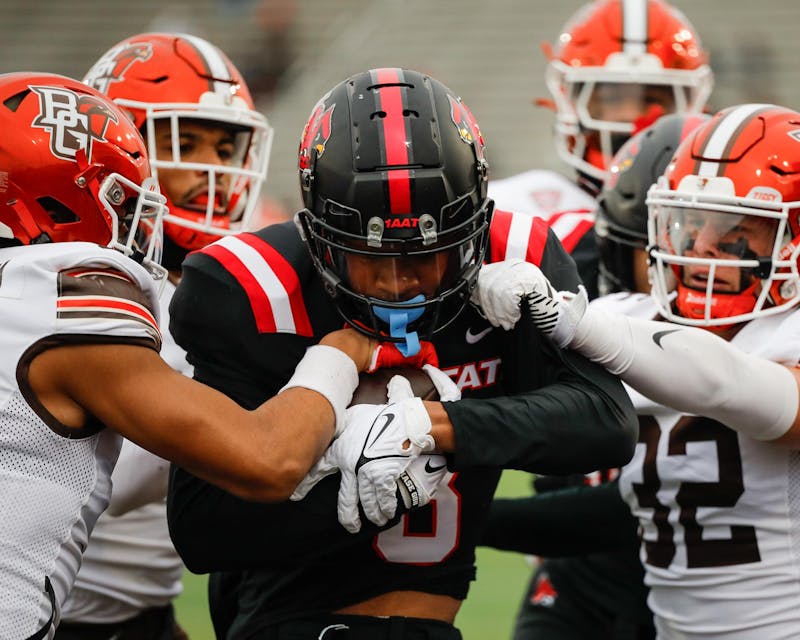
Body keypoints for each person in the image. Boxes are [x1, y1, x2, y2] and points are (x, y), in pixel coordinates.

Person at [165, 67, 638, 640]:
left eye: (423, 255)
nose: (397, 283)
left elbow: (605, 422)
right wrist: (348, 479)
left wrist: (432, 427)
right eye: (370, 257)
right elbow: (202, 532)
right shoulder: (253, 290)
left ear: (472, 233)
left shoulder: (517, 261)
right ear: (318, 239)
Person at [0, 71, 385, 640]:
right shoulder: (55, 289)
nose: (138, 226)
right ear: (55, 197)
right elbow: (266, 459)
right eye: (124, 203)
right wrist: (342, 352)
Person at [479, 103, 800, 639]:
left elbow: (735, 385)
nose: (700, 250)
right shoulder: (632, 322)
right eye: (691, 223)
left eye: (736, 232)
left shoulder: (629, 334)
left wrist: (572, 323)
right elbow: (633, 507)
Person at [52, 32, 276, 640]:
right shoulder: (81, 276)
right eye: (186, 141)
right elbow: (107, 483)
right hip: (50, 617)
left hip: (142, 616)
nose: (215, 166)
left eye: (227, 146)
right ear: (119, 147)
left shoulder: (218, 283)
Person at [488, 0, 713, 296]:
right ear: (572, 100)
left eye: (652, 99)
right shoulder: (514, 205)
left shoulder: (712, 217)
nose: (630, 117)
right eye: (611, 98)